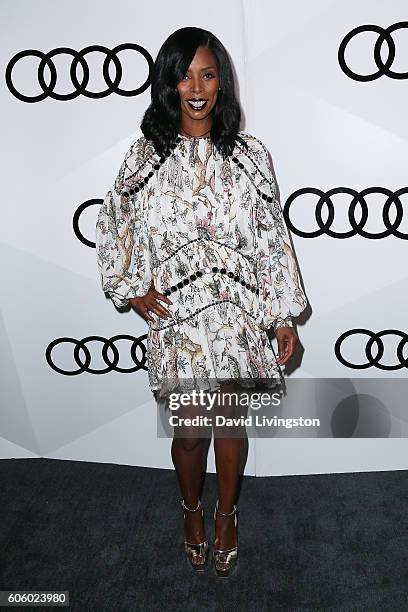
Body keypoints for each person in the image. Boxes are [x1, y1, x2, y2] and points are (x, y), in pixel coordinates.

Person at [95, 26, 307, 578]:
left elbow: (270, 236)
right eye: (184, 75)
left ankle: (227, 516)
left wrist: (280, 315)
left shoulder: (250, 156)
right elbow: (114, 223)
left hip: (238, 316)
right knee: (191, 433)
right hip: (180, 321)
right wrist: (130, 286)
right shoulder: (145, 158)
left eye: (207, 75)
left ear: (222, 84)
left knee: (230, 427)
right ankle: (192, 509)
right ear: (168, 84)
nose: (196, 86)